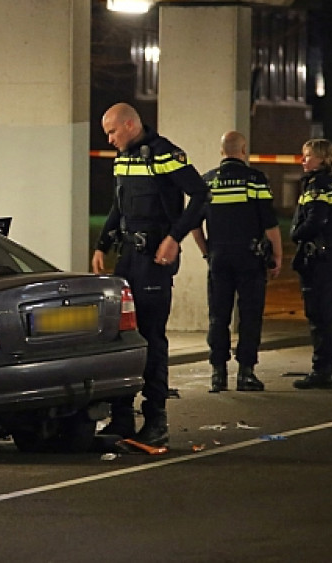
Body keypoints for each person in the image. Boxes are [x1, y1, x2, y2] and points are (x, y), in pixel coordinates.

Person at [91, 103, 209, 446]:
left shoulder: (165, 154)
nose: (110, 139)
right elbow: (118, 204)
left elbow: (201, 195)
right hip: (127, 257)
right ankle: (123, 417)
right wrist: (102, 244)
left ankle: (156, 419)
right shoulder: (124, 157)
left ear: (130, 124)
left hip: (153, 260)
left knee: (151, 339)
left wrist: (174, 238)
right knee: (121, 336)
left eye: (113, 132)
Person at [190, 131, 283, 393]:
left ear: (222, 152)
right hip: (250, 258)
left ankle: (218, 374)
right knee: (250, 316)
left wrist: (207, 252)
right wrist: (277, 256)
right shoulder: (255, 180)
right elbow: (270, 224)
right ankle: (246, 373)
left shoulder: (207, 182)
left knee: (218, 316)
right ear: (244, 151)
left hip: (219, 257)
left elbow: (194, 226)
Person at [290, 138, 332, 389]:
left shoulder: (317, 185)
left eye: (308, 156)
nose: (303, 160)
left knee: (318, 313)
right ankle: (330, 369)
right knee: (330, 312)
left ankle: (321, 370)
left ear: (323, 159)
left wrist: (296, 233)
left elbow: (315, 220)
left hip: (319, 256)